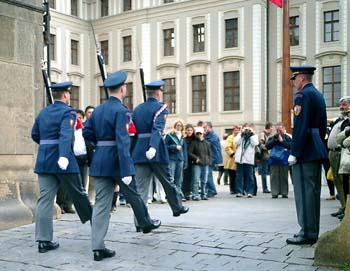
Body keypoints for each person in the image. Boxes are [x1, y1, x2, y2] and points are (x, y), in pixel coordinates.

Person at [83, 71, 161, 261]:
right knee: (133, 194)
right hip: (118, 162)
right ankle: (145, 222)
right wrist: (126, 168)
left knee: (101, 205)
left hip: (101, 160)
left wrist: (99, 146)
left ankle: (97, 247)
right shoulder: (122, 111)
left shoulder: (98, 110)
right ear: (122, 88)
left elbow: (86, 132)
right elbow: (122, 141)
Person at [31, 81, 92, 254]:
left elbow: (35, 134)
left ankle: (43, 241)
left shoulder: (43, 112)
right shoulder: (68, 112)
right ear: (65, 95)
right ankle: (97, 223)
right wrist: (64, 155)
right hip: (62, 159)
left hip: (44, 160)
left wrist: (46, 147)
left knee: (45, 199)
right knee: (79, 193)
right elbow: (65, 135)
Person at [132, 80, 189, 217]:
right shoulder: (161, 108)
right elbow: (157, 129)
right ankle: (177, 207)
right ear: (158, 93)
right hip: (156, 150)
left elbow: (134, 132)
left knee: (141, 189)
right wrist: (152, 146)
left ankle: (140, 221)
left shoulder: (137, 109)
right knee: (167, 181)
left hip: (140, 150)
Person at [286, 65, 328, 245]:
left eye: (294, 79)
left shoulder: (302, 96)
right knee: (312, 192)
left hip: (304, 151)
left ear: (301, 78)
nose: (294, 83)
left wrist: (295, 152)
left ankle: (307, 232)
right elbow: (322, 124)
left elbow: (300, 126)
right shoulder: (318, 94)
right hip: (315, 147)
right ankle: (311, 230)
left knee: (304, 193)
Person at [327, 96, 350, 219]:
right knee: (336, 180)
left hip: (341, 153)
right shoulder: (339, 120)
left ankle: (347, 208)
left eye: (344, 105)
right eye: (340, 105)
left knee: (343, 180)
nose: (341, 107)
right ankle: (343, 206)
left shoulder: (348, 120)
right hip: (332, 153)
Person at [265, 122, 292, 198]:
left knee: (284, 177)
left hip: (284, 160)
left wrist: (282, 141)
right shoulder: (272, 137)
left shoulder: (288, 137)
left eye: (280, 130)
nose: (278, 132)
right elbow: (267, 146)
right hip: (274, 160)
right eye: (277, 130)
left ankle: (284, 192)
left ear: (283, 128)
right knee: (274, 177)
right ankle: (275, 192)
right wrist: (275, 140)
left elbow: (290, 146)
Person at [234, 123, 259, 198]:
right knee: (239, 177)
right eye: (246, 129)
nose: (247, 130)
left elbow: (255, 143)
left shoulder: (254, 136)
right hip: (240, 160)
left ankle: (250, 192)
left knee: (250, 177)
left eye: (249, 129)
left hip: (249, 160)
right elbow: (236, 142)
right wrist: (241, 133)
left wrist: (251, 134)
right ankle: (239, 191)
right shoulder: (240, 135)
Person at [165, 119, 188, 200]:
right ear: (175, 126)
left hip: (180, 159)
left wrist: (185, 161)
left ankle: (178, 194)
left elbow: (184, 150)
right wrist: (174, 147)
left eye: (181, 125)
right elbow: (165, 147)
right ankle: (170, 195)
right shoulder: (170, 135)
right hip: (172, 159)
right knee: (171, 177)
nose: (179, 127)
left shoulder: (182, 136)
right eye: (178, 125)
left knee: (179, 178)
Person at [188, 126, 211, 200]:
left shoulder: (207, 143)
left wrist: (209, 161)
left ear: (203, 134)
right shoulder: (194, 143)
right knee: (196, 180)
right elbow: (190, 153)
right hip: (197, 164)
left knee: (204, 180)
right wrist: (196, 158)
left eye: (200, 133)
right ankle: (195, 195)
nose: (199, 135)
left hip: (205, 163)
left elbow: (209, 153)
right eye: (197, 133)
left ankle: (203, 194)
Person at [203, 121, 222, 197]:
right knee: (207, 174)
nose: (203, 129)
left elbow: (208, 144)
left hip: (212, 157)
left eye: (204, 127)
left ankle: (212, 190)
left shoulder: (213, 135)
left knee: (208, 174)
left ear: (209, 127)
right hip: (210, 157)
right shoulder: (208, 135)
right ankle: (210, 190)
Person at [257, 122, 273, 193]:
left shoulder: (267, 135)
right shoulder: (263, 134)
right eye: (272, 127)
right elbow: (261, 145)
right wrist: (268, 147)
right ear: (269, 127)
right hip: (264, 156)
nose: (272, 129)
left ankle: (266, 188)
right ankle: (265, 188)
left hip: (267, 156)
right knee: (264, 172)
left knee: (265, 172)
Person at [224, 125, 240, 194]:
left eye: (238, 130)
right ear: (233, 130)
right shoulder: (230, 137)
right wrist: (233, 154)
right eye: (235, 130)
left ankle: (238, 188)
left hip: (239, 159)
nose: (236, 131)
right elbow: (227, 147)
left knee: (238, 175)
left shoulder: (240, 137)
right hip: (232, 160)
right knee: (232, 176)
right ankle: (232, 189)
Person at [182, 123, 195, 200]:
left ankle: (190, 192)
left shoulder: (195, 139)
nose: (189, 131)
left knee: (193, 178)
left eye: (191, 130)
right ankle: (185, 193)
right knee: (185, 177)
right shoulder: (184, 139)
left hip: (194, 160)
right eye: (188, 130)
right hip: (186, 160)